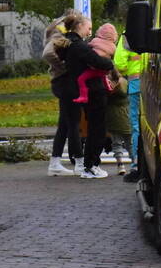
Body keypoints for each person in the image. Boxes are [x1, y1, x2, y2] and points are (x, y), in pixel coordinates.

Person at [55, 13, 114, 179]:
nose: (90, 32)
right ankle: (91, 166)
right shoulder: (79, 47)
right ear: (80, 26)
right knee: (97, 130)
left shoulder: (66, 44)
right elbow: (101, 62)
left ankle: (88, 165)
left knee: (86, 128)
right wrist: (109, 63)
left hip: (78, 89)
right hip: (94, 90)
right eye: (88, 28)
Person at [44, 9, 78, 176]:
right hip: (63, 81)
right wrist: (62, 67)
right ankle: (75, 161)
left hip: (59, 81)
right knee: (69, 122)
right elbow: (48, 53)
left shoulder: (54, 32)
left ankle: (55, 162)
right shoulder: (59, 36)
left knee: (64, 123)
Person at [113, 31, 145, 181]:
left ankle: (137, 164)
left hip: (136, 84)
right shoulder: (160, 25)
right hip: (159, 84)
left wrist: (129, 70)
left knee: (136, 125)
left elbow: (119, 63)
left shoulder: (128, 35)